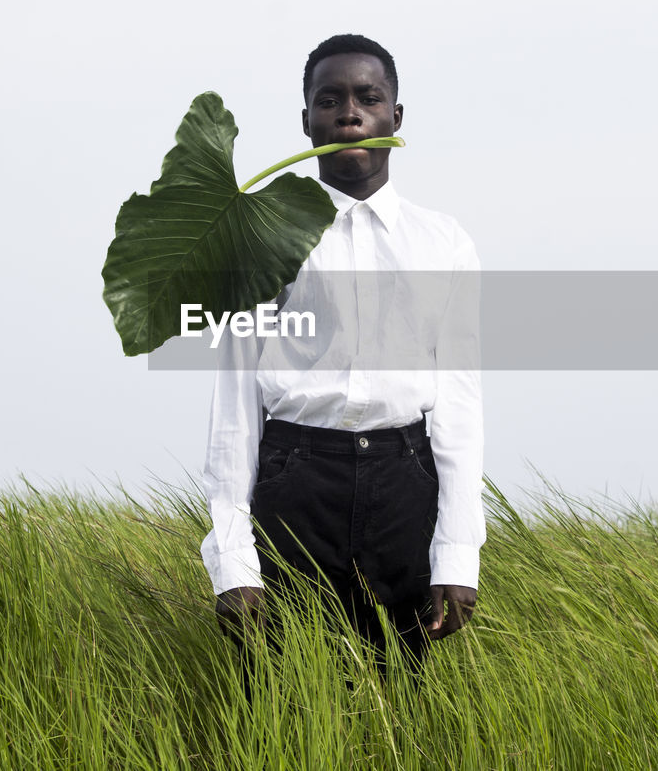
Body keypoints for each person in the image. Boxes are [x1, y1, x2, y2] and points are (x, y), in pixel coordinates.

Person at [200, 33, 484, 671]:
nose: (349, 113)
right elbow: (235, 405)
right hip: (295, 477)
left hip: (405, 482)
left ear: (396, 117)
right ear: (307, 121)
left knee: (399, 700)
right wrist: (232, 560)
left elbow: (460, 407)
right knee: (277, 693)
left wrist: (458, 555)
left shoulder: (444, 244)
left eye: (369, 98)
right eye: (329, 100)